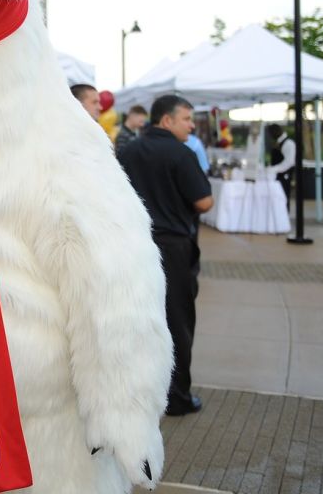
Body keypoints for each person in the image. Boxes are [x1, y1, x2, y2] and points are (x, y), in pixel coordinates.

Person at [117, 94, 213, 416]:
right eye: (186, 119)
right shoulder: (181, 153)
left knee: (137, 320)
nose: (190, 125)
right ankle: (178, 397)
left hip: (133, 244)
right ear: (166, 120)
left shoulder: (127, 151)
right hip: (172, 248)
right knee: (177, 322)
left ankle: (137, 393)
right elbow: (204, 202)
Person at [266, 123, 297, 200]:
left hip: (284, 176)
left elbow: (289, 162)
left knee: (284, 198)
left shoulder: (288, 143)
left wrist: (274, 169)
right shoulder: (278, 142)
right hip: (276, 176)